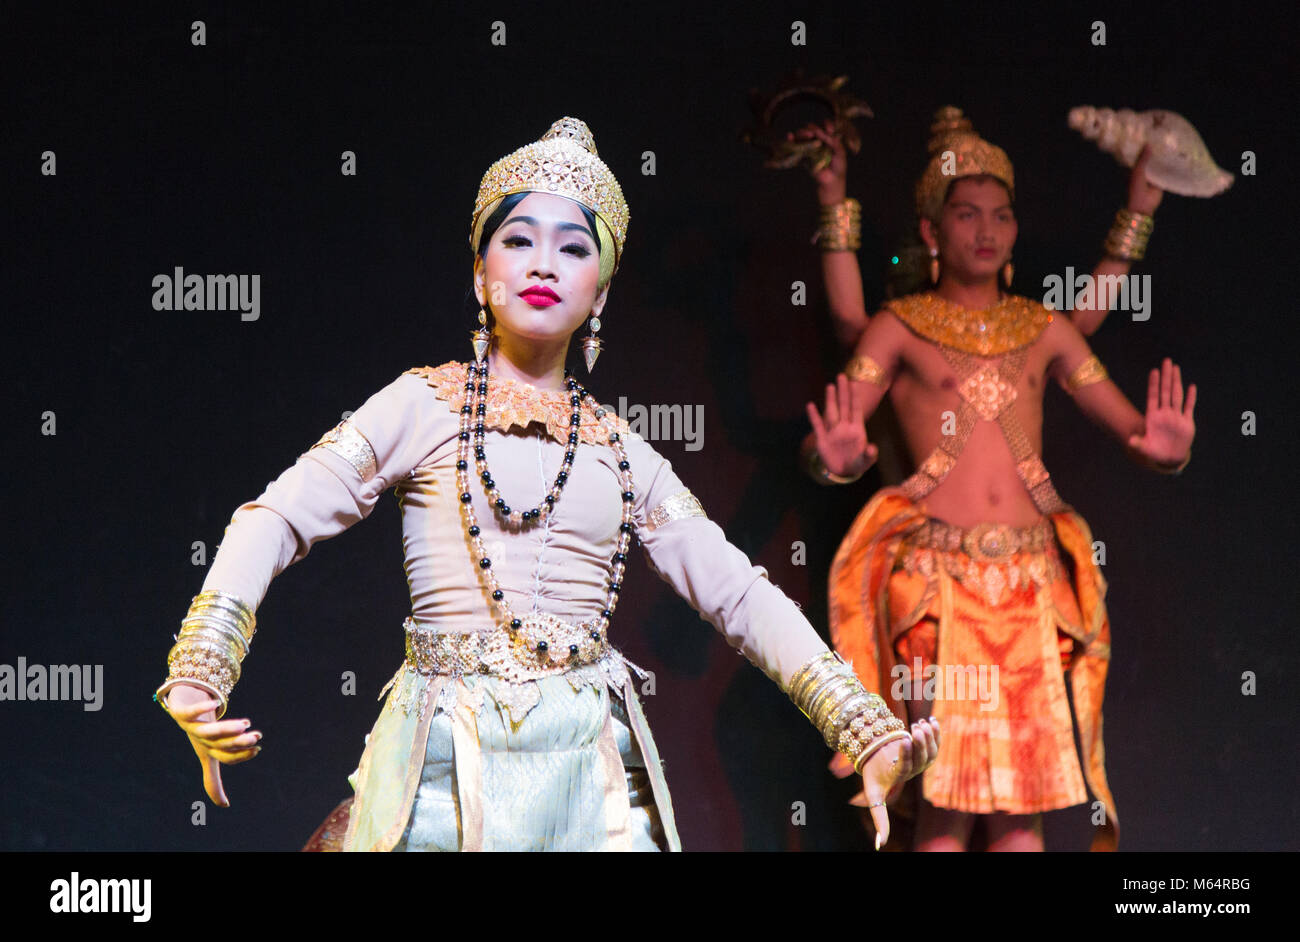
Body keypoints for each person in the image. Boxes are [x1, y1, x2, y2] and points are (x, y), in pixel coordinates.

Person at [154, 117, 939, 852]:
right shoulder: (420, 405)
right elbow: (275, 517)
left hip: (587, 778)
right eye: (517, 238)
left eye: (572, 248)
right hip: (442, 767)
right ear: (479, 271)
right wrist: (200, 668)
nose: (540, 263)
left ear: (600, 293)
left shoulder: (621, 451)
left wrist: (860, 723)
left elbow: (737, 593)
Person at [799, 112, 1196, 851]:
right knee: (943, 813)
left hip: (1028, 590)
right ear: (930, 231)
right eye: (967, 214)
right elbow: (834, 443)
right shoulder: (901, 326)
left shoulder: (1043, 328)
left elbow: (1135, 432)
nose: (987, 231)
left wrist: (1161, 447)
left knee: (1022, 815)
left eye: (1003, 215)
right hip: (936, 591)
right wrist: (843, 459)